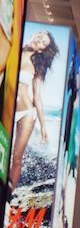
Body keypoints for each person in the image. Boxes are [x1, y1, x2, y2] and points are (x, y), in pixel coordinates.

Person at [10, 30, 58, 189]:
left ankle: (7, 197)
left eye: (43, 43)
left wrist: (43, 125)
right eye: (39, 36)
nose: (39, 41)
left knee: (17, 158)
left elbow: (37, 97)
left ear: (41, 50)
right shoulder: (13, 48)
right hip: (8, 107)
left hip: (26, 113)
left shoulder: (37, 64)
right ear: (34, 34)